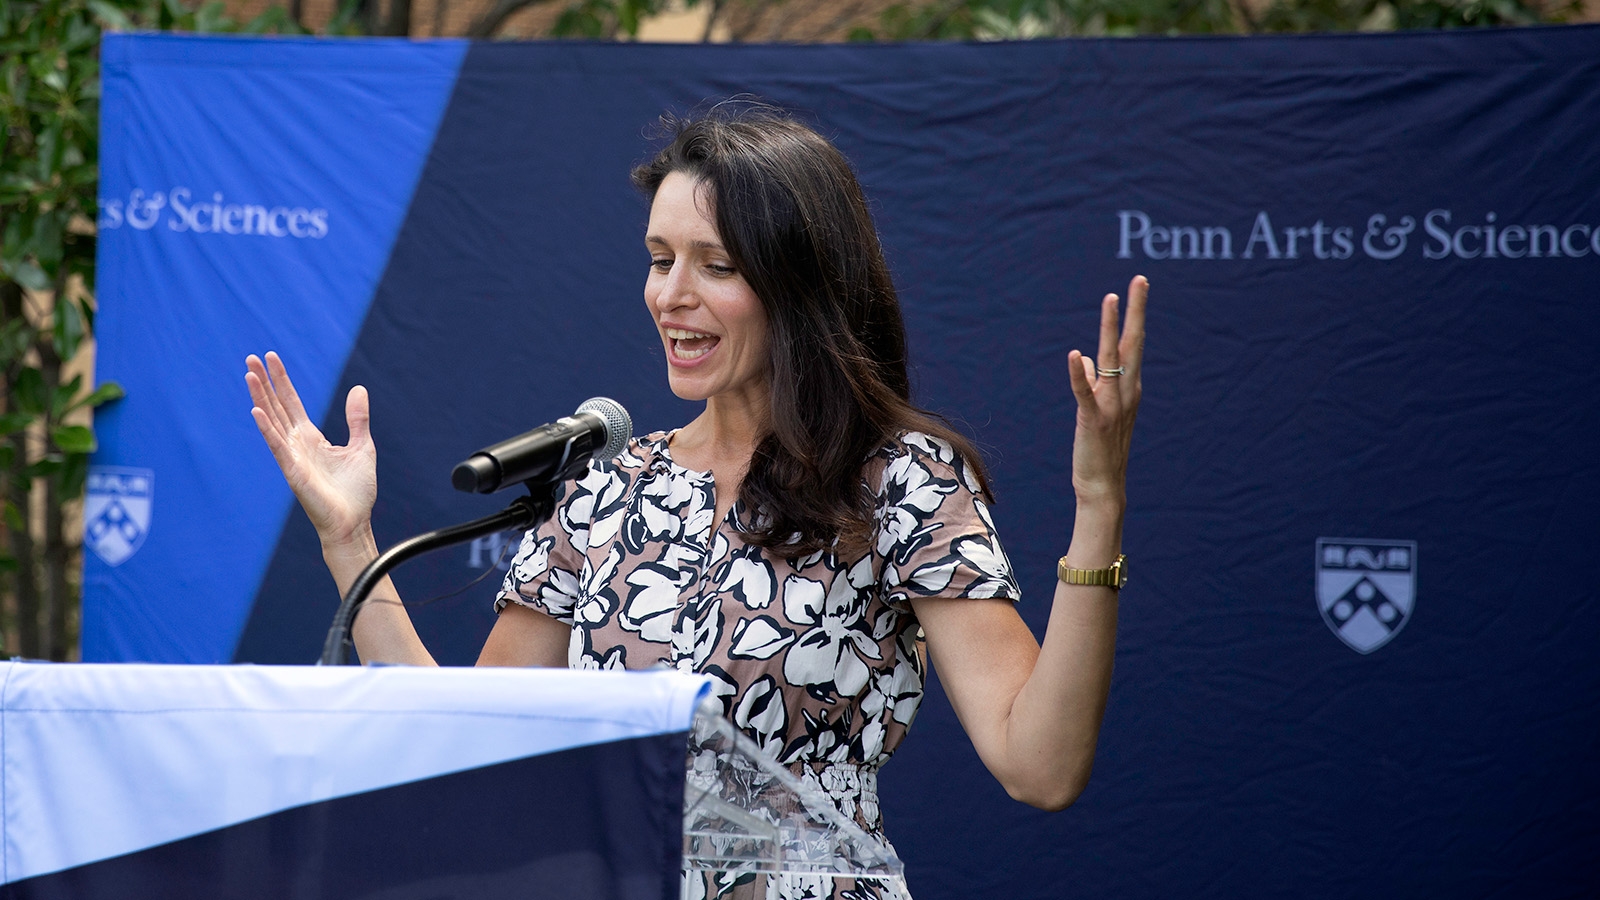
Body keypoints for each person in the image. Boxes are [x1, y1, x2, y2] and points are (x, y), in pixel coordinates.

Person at [244, 104, 1146, 900]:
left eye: (714, 265)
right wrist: (349, 539)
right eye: (659, 258)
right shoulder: (606, 491)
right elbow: (476, 752)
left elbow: (1041, 765)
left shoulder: (900, 480)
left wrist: (1097, 505)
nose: (671, 296)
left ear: (798, 283)